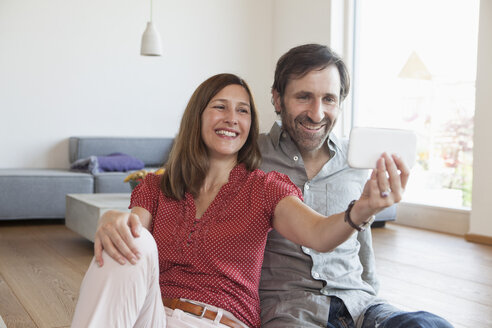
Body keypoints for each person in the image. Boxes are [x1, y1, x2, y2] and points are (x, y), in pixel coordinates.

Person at [71, 73, 408, 328]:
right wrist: (115, 219)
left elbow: (319, 234)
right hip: (152, 314)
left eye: (242, 111)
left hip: (217, 320)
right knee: (129, 239)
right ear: (198, 116)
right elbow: (132, 239)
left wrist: (362, 209)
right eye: (220, 107)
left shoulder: (265, 187)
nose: (232, 118)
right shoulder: (158, 186)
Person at [258, 43, 453, 327]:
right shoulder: (250, 158)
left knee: (430, 324)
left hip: (358, 304)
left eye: (329, 99)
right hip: (289, 310)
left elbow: (363, 242)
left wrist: (375, 300)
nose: (317, 113)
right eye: (304, 97)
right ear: (277, 99)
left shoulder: (356, 162)